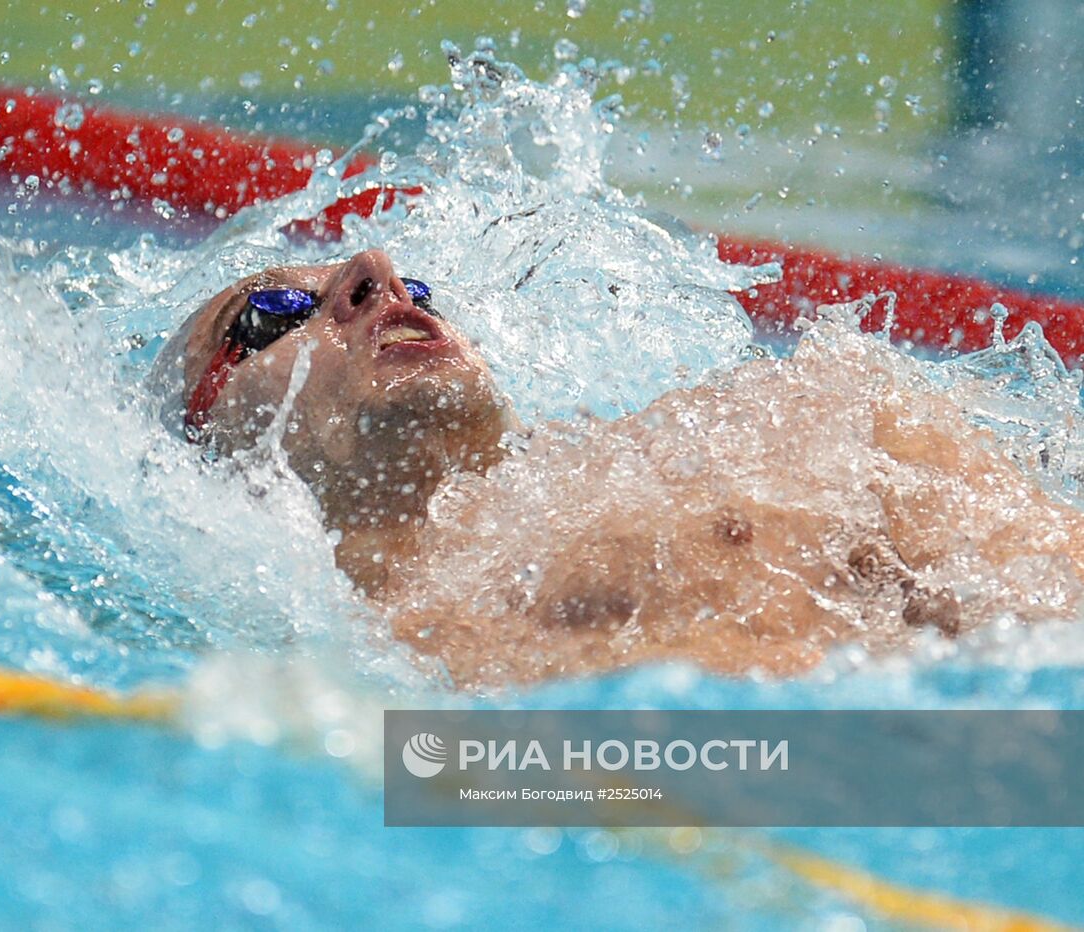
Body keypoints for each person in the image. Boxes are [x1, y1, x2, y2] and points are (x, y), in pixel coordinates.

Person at [158, 249, 1084, 687]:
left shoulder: (783, 414)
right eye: (278, 307)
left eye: (423, 290)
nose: (379, 275)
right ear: (213, 438)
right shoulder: (386, 656)